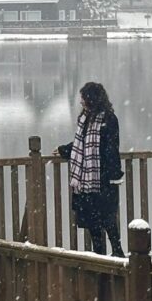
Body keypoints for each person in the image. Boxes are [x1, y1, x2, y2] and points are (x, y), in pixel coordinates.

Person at [57, 82, 125, 257]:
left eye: (84, 100)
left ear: (92, 100)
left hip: (103, 179)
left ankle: (118, 253)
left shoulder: (109, 119)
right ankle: (100, 256)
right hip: (86, 180)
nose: (82, 103)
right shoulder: (85, 119)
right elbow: (82, 144)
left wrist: (112, 175)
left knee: (108, 220)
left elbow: (111, 148)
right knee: (94, 223)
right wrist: (64, 149)